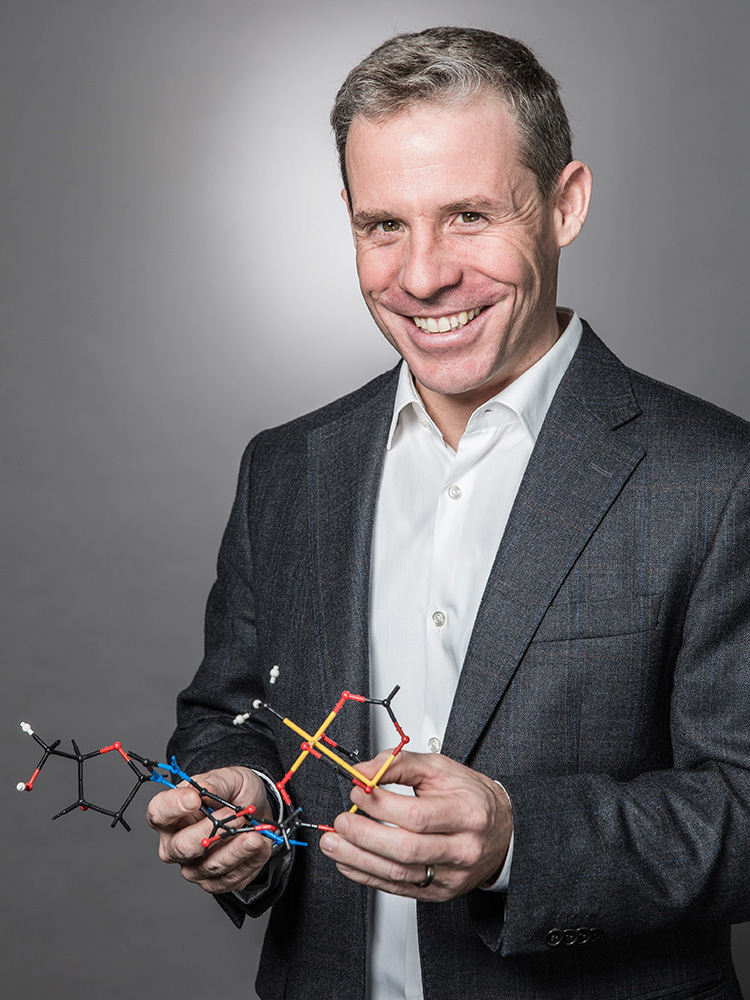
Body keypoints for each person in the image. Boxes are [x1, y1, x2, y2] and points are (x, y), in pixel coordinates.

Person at [147, 26, 750, 1000]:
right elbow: (230, 714)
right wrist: (246, 797)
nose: (422, 275)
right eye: (384, 225)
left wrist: (519, 841)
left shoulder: (718, 478)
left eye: (468, 216)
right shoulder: (286, 470)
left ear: (565, 204)